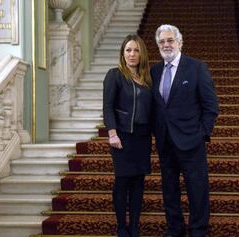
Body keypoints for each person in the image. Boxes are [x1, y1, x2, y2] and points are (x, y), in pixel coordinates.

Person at [150, 24, 219, 237]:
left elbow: (211, 106)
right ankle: (175, 229)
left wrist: (201, 134)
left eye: (170, 40)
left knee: (197, 190)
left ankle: (198, 230)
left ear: (180, 42)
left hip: (191, 141)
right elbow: (155, 106)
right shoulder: (154, 71)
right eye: (162, 42)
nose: (166, 45)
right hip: (165, 142)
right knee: (169, 190)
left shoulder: (196, 68)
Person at [103, 34, 152, 237]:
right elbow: (108, 106)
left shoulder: (148, 78)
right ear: (122, 53)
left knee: (138, 183)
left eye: (136, 50)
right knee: (122, 182)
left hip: (142, 138)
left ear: (142, 54)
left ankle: (135, 226)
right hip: (122, 136)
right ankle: (121, 226)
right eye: (128, 50)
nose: (132, 54)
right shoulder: (115, 75)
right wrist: (112, 133)